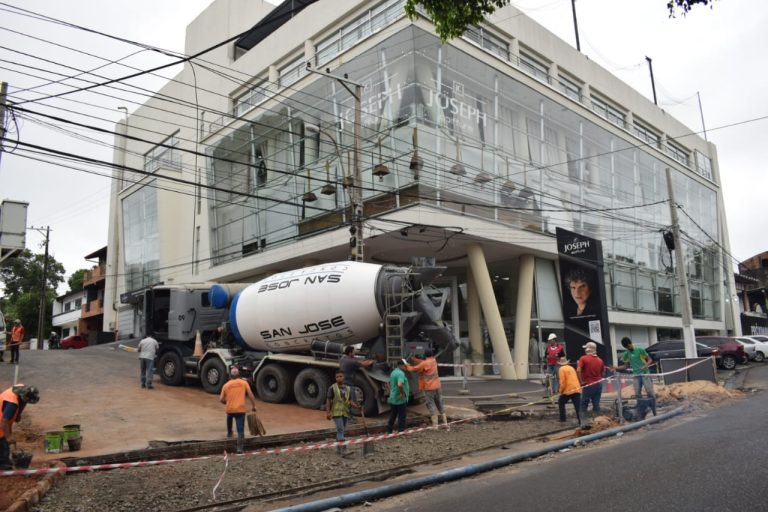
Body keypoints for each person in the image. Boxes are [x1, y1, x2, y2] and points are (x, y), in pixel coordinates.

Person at [0, 384, 40, 470]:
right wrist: (8, 436)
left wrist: (17, 414)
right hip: (1, 424)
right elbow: (3, 422)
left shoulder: (20, 387)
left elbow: (21, 404)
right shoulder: (11, 404)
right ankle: (4, 468)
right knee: (3, 444)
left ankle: (5, 462)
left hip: (3, 419)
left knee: (4, 446)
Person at [219, 367, 258, 454]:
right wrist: (254, 406)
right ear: (239, 375)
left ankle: (229, 433)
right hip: (240, 410)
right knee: (240, 429)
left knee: (229, 416)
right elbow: (250, 394)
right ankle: (239, 448)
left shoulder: (226, 385)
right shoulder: (244, 383)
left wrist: (227, 403)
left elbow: (221, 399)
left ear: (230, 375)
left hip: (230, 409)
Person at [406, 349, 448, 428]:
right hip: (437, 385)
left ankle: (435, 426)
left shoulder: (424, 363)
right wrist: (416, 360)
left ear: (425, 355)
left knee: (431, 404)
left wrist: (406, 364)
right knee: (439, 403)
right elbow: (423, 363)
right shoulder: (433, 360)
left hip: (429, 387)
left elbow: (413, 369)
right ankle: (445, 423)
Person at [325, 369, 356, 456]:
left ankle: (338, 449)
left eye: (340, 376)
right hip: (336, 412)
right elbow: (328, 400)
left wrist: (357, 406)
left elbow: (349, 401)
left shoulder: (348, 389)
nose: (339, 378)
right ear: (335, 378)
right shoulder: (332, 388)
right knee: (340, 429)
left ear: (344, 377)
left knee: (341, 431)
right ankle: (344, 449)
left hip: (345, 412)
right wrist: (328, 412)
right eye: (337, 377)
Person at [577, 341, 605, 416]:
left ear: (588, 349)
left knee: (584, 404)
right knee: (596, 403)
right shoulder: (600, 360)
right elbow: (603, 373)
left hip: (588, 384)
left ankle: (584, 423)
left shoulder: (583, 358)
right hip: (598, 385)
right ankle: (598, 421)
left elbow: (578, 370)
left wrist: (581, 382)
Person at [386, 360, 410, 434]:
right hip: (400, 398)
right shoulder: (400, 373)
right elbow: (400, 384)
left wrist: (391, 392)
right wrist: (402, 393)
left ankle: (389, 430)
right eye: (405, 365)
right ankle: (401, 430)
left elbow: (388, 383)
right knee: (402, 415)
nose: (406, 367)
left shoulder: (393, 372)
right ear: (401, 365)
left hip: (393, 397)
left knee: (393, 414)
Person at [557, 356, 581, 425]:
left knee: (561, 402)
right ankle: (581, 420)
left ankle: (562, 418)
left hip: (568, 390)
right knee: (578, 406)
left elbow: (562, 382)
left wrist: (560, 391)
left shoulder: (561, 369)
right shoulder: (571, 368)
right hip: (576, 388)